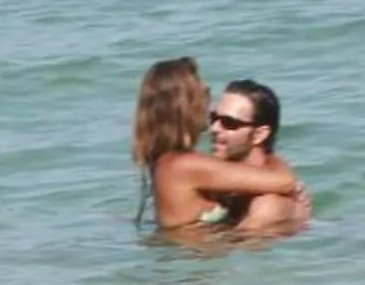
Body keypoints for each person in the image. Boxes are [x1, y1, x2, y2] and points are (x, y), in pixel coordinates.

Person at [131, 57, 305, 232]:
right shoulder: (183, 165)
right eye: (204, 94)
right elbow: (285, 181)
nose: (208, 103)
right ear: (185, 105)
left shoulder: (172, 164)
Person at [208, 78, 311, 235]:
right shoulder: (227, 181)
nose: (214, 128)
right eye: (214, 118)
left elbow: (226, 254)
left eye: (229, 123)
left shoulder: (267, 206)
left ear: (259, 135)